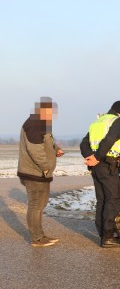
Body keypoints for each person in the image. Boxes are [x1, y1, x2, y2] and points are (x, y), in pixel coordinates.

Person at [80, 101, 120, 248]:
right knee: (114, 197)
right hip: (107, 164)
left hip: (96, 167)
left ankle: (102, 233)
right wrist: (97, 157)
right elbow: (110, 140)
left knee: (102, 199)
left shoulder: (97, 122)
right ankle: (108, 237)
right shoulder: (118, 121)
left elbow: (83, 143)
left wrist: (90, 157)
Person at [17, 97, 65, 247]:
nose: (52, 115)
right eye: (51, 112)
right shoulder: (34, 124)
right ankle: (36, 239)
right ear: (43, 110)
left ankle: (40, 235)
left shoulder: (41, 124)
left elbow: (46, 142)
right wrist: (45, 167)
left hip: (41, 173)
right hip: (35, 173)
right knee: (36, 205)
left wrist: (56, 149)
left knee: (40, 205)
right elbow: (35, 150)